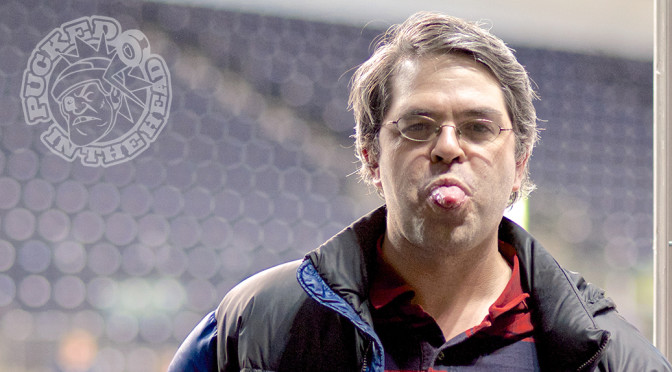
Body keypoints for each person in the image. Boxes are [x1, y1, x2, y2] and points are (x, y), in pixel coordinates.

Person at [168, 12, 672, 371]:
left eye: (477, 128)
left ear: (518, 165)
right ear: (370, 156)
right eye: (418, 125)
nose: (448, 147)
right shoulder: (257, 322)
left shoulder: (610, 356)